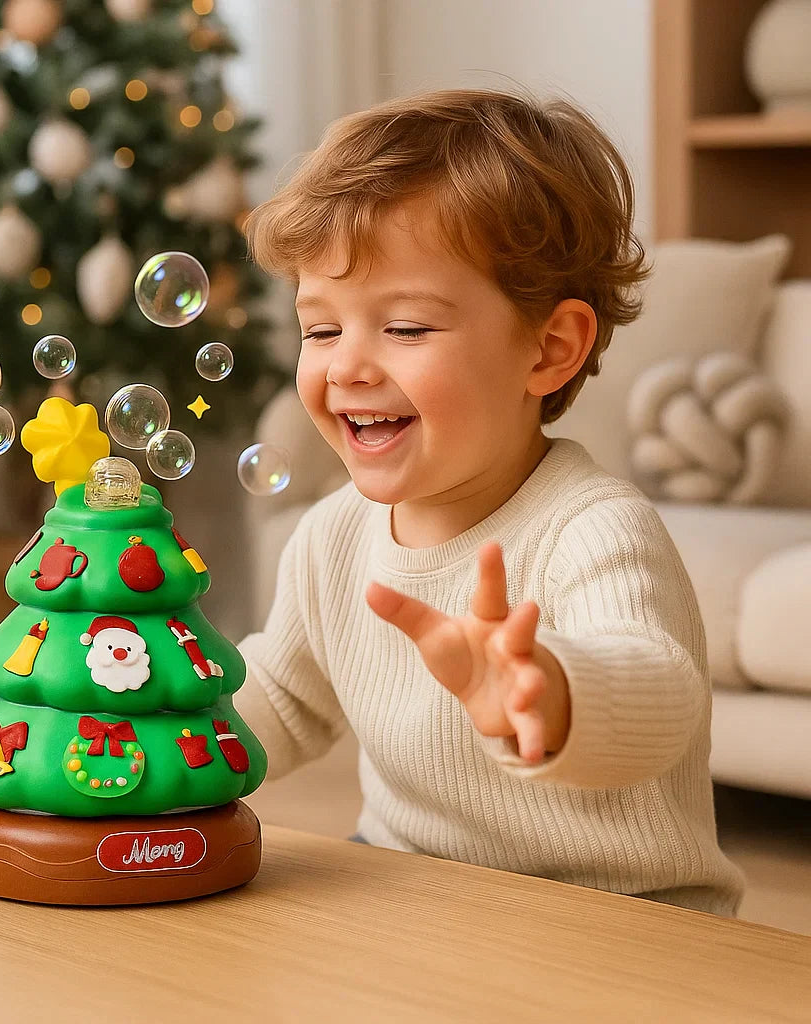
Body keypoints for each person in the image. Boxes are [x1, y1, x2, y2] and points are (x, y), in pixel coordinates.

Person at [234, 88, 745, 917]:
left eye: (404, 328)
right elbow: (284, 699)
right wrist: (155, 741)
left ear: (548, 350)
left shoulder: (593, 527)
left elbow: (663, 696)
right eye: (321, 330)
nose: (348, 367)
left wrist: (546, 689)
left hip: (623, 917)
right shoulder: (330, 535)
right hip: (418, 890)